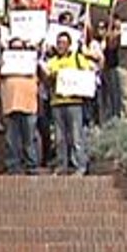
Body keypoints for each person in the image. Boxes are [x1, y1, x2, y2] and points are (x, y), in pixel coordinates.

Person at [45, 31, 93, 175]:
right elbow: (47, 78)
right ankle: (62, 166)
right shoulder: (52, 61)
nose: (61, 46)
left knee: (76, 136)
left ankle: (80, 166)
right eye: (59, 43)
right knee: (60, 138)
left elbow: (89, 72)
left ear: (69, 45)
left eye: (64, 43)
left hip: (74, 102)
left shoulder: (78, 59)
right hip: (57, 102)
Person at [0, 38, 40, 175]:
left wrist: (36, 60)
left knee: (30, 137)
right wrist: (1, 66)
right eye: (14, 49)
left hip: (29, 105)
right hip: (10, 105)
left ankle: (31, 165)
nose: (17, 51)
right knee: (11, 138)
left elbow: (44, 79)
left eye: (20, 48)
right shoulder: (4, 64)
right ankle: (13, 166)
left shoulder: (31, 63)